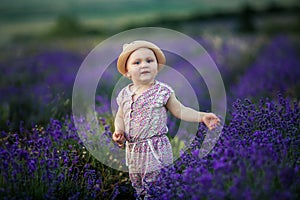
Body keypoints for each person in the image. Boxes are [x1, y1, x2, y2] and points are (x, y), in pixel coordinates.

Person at [112, 40, 220, 199]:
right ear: (127, 72)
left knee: (155, 185)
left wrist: (201, 116)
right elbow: (120, 116)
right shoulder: (124, 94)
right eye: (137, 62)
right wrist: (118, 130)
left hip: (155, 149)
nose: (144, 65)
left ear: (157, 67)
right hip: (133, 150)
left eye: (150, 60)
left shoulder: (162, 92)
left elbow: (180, 110)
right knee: (138, 185)